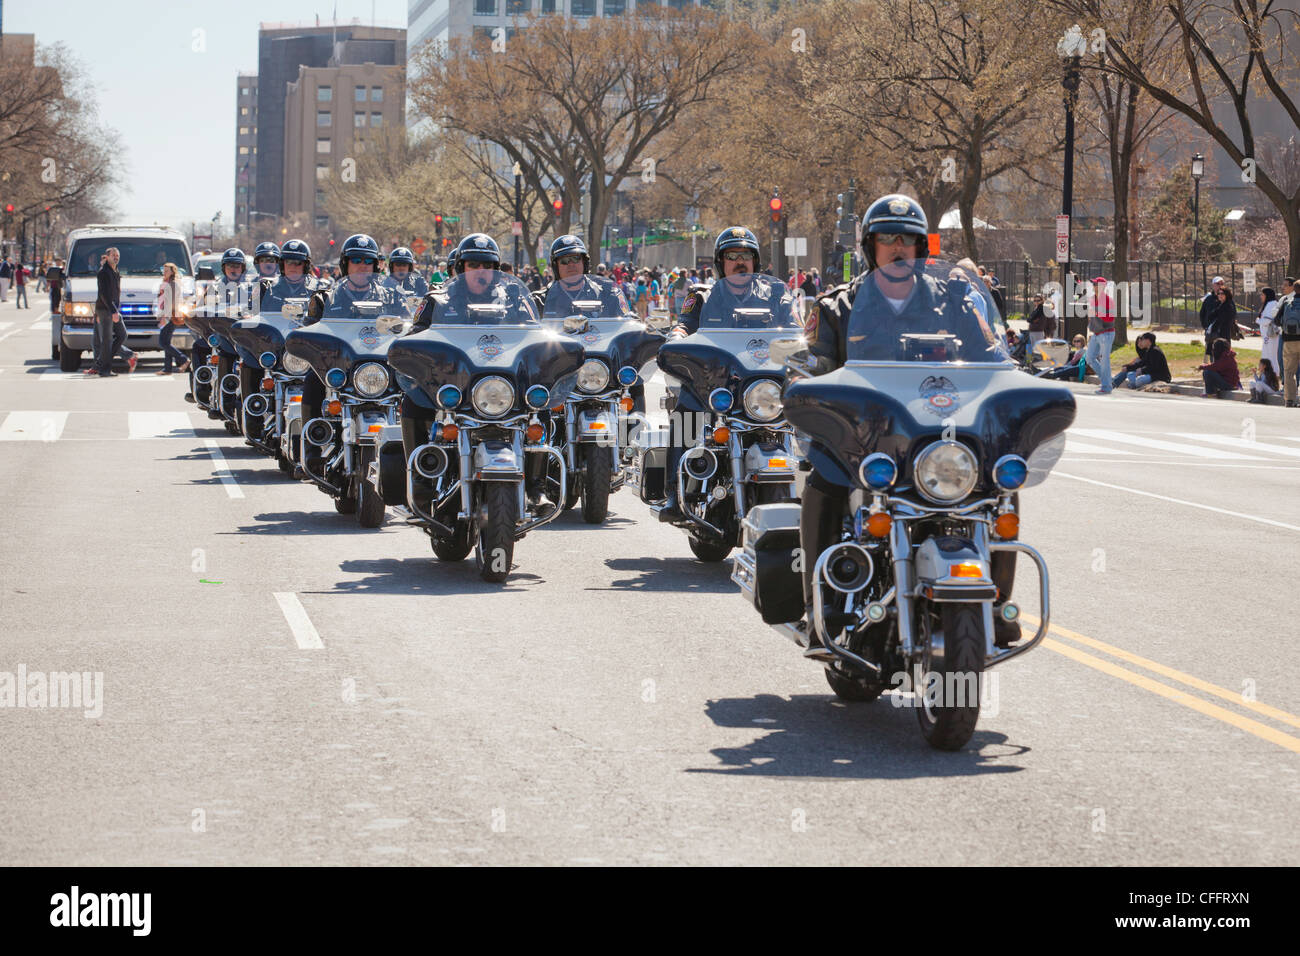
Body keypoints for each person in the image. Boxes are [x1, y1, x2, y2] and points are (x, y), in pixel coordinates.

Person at [800, 193, 1019, 649]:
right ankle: (821, 607)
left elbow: (994, 358)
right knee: (823, 479)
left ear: (920, 247)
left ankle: (996, 604)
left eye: (907, 239)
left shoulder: (954, 303)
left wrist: (1016, 376)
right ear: (870, 246)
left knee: (1000, 486)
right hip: (863, 441)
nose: (898, 248)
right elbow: (812, 366)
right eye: (887, 238)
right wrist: (806, 384)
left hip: (938, 438)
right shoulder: (837, 308)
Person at [300, 234, 409, 440]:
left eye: (368, 261)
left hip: (382, 368)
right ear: (345, 264)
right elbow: (310, 334)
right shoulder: (326, 299)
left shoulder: (392, 298)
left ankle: (414, 447)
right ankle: (311, 441)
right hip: (340, 366)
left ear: (375, 266)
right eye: (356, 260)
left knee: (414, 385)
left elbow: (409, 329)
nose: (362, 266)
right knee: (313, 378)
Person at [537, 235, 628, 317]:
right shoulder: (541, 301)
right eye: (564, 260)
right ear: (556, 266)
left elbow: (624, 325)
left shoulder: (608, 296)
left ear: (584, 262)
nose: (571, 264)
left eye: (576, 258)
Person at [89, 247, 135, 376]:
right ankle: (105, 369)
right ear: (107, 257)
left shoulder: (116, 271)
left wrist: (115, 310)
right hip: (106, 310)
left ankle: (102, 362)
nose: (116, 257)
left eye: (117, 255)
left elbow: (115, 293)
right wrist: (113, 311)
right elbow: (103, 294)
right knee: (107, 341)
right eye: (113, 255)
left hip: (112, 309)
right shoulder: (103, 272)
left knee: (122, 335)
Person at [154, 262, 189, 375]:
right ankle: (167, 368)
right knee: (166, 342)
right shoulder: (167, 283)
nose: (164, 273)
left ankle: (184, 359)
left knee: (163, 342)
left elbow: (172, 303)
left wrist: (164, 316)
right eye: (163, 271)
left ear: (172, 272)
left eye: (167, 271)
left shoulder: (173, 284)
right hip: (167, 315)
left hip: (170, 316)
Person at [1084, 276, 1116, 394]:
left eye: (1095, 284)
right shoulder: (1092, 298)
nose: (1093, 286)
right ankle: (1107, 381)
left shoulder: (1108, 300)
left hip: (1106, 334)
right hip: (1096, 334)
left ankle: (1106, 387)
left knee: (1104, 361)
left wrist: (1098, 313)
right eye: (1093, 284)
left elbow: (1111, 318)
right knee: (1089, 358)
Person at [1278, 277, 1300, 407]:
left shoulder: (1287, 302)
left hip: (1289, 341)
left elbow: (1276, 320)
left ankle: (1290, 399)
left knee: (1289, 371)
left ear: (1294, 290)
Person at [1198, 275, 1226, 358]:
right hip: (1211, 331)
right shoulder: (1208, 298)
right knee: (1212, 353)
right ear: (1213, 285)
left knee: (1223, 354)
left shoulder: (1226, 298)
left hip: (1223, 331)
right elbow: (1202, 314)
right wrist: (1206, 326)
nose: (1220, 286)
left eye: (1222, 284)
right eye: (1218, 284)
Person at [1256, 287, 1281, 374]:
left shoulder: (1271, 304)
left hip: (1270, 335)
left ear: (1267, 295)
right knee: (1268, 356)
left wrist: (1258, 320)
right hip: (1268, 336)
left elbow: (1267, 321)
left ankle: (1274, 376)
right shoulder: (1270, 304)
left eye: (1262, 294)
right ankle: (1268, 375)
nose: (1261, 296)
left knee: (1271, 357)